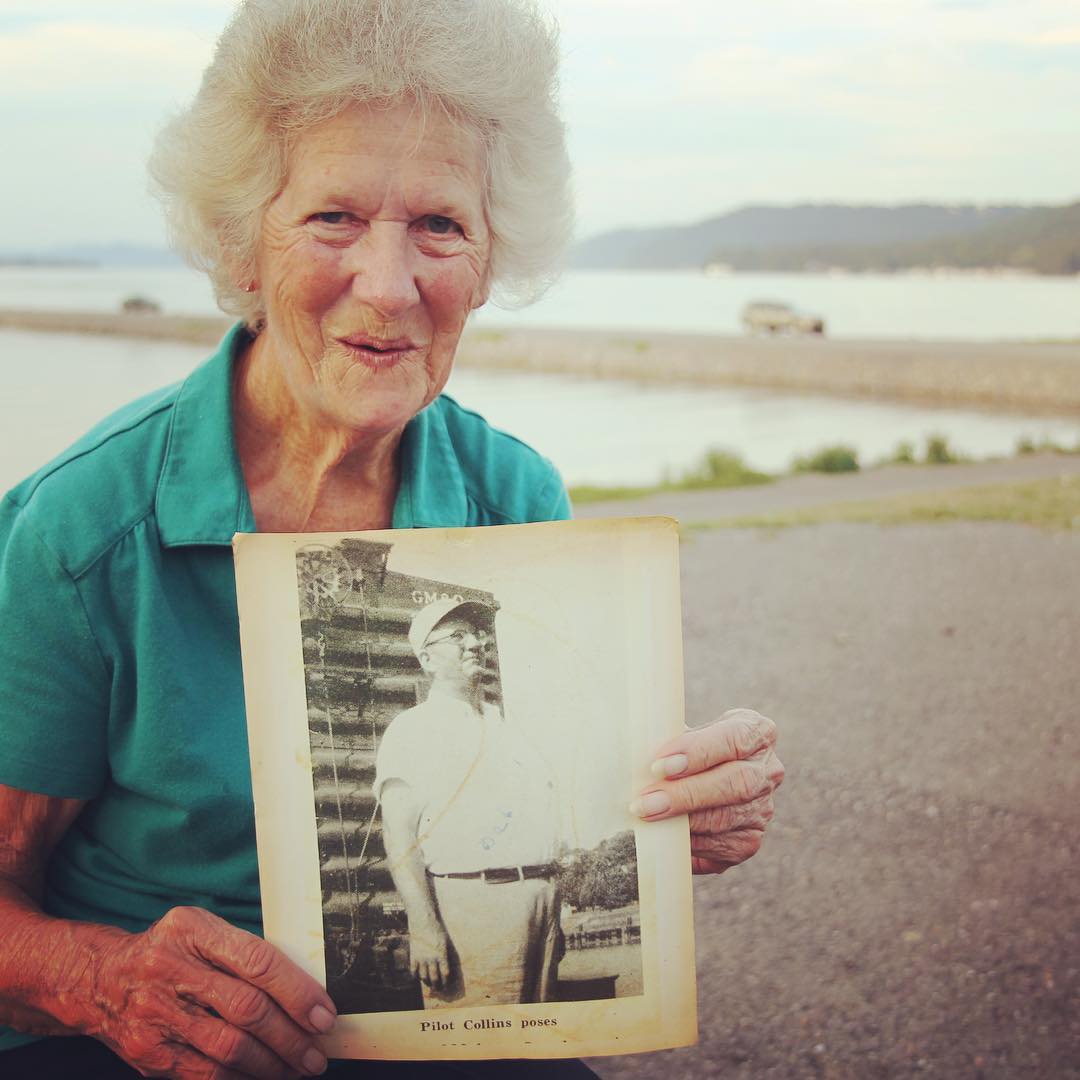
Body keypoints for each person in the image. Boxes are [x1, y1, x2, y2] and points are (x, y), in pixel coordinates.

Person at [0, 1, 784, 1077]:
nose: (388, 283)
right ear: (243, 242)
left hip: (449, 1016)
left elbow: (555, 785)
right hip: (145, 1043)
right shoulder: (85, 529)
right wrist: (104, 981)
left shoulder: (514, 492)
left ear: (490, 256)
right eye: (332, 218)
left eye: (439, 226)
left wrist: (676, 810)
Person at [376, 600, 563, 1009]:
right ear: (427, 659)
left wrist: (549, 905)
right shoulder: (412, 729)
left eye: (476, 634)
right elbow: (399, 837)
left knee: (541, 1056)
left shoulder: (504, 723)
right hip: (475, 910)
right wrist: (424, 927)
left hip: (542, 908)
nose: (475, 643)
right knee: (481, 1059)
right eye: (457, 636)